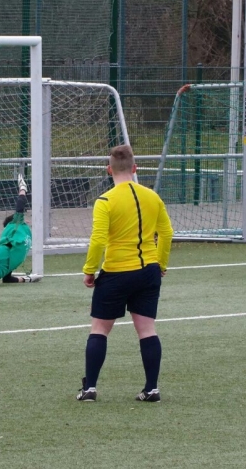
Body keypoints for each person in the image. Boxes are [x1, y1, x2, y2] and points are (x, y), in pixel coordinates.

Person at [77, 144, 174, 403]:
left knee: (99, 328)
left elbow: (98, 239)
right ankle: (151, 389)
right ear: (135, 168)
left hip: (117, 272)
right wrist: (161, 264)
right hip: (148, 271)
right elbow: (166, 233)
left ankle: (90, 388)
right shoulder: (152, 197)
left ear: (109, 170)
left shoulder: (105, 200)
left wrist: (89, 270)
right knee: (147, 329)